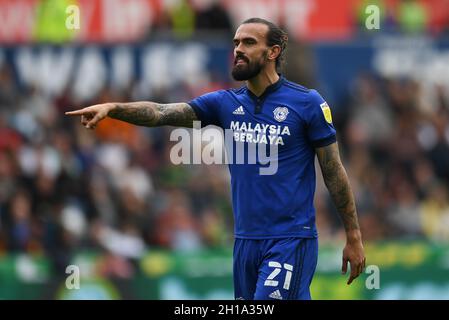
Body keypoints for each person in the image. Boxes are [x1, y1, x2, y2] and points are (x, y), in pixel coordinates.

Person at [66, 17, 366, 300]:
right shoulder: (225, 103)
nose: (238, 49)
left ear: (273, 51)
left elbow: (333, 171)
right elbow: (161, 112)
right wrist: (114, 107)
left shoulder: (307, 103)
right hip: (245, 242)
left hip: (290, 239)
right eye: (236, 43)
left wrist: (352, 234)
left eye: (248, 43)